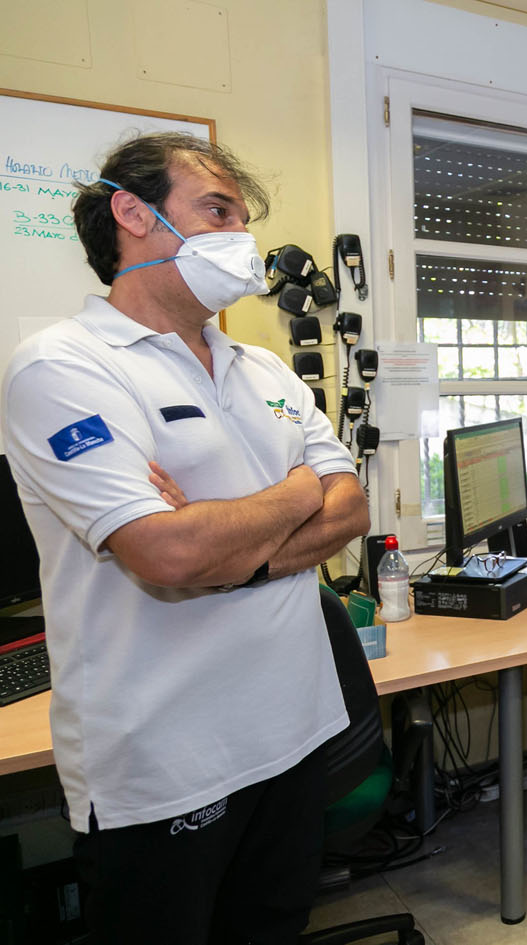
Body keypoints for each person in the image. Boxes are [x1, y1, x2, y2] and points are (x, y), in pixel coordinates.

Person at [2, 133, 369, 944]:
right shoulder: (61, 368)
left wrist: (230, 548)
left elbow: (349, 510)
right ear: (132, 214)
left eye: (242, 217)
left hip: (295, 729)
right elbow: (166, 556)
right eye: (218, 211)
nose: (243, 238)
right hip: (167, 763)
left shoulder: (264, 368)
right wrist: (296, 489)